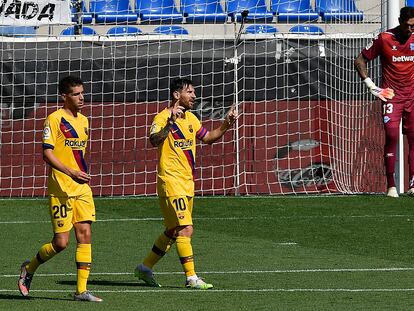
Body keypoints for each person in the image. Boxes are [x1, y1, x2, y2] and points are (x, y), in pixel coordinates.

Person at [135, 77, 238, 289]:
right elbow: (154, 140)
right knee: (186, 228)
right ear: (176, 95)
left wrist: (227, 123)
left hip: (187, 182)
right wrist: (170, 122)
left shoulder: (191, 118)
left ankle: (145, 268)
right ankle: (191, 278)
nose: (195, 96)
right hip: (170, 181)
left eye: (194, 92)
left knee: (173, 231)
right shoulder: (162, 117)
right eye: (190, 92)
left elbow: (208, 137)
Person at [18, 76, 102, 302]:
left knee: (85, 234)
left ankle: (81, 291)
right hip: (61, 188)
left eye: (82, 93)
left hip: (82, 188)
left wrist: (79, 174)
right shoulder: (54, 119)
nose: (82, 97)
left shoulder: (84, 121)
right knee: (61, 243)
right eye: (76, 94)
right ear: (64, 97)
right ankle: (29, 268)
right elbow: (47, 153)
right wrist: (70, 171)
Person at [355, 6, 414, 198]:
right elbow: (360, 60)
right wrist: (371, 85)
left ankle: (413, 184)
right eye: (408, 26)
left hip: (412, 97)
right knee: (392, 137)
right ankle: (391, 186)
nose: (410, 30)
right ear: (399, 21)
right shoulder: (384, 38)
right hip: (392, 96)